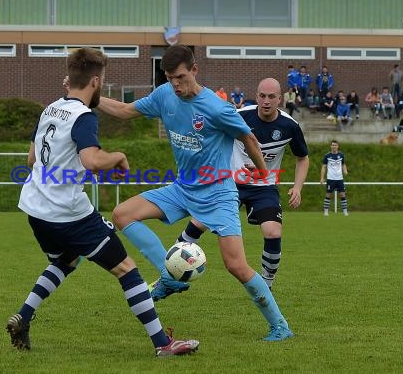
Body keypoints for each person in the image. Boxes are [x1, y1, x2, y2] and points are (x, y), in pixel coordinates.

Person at [7, 47, 199, 357]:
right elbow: (93, 160)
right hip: (69, 214)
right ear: (96, 80)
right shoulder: (83, 117)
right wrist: (118, 157)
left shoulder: (50, 109)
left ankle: (24, 317)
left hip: (35, 209)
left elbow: (31, 159)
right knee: (127, 270)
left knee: (64, 261)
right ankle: (163, 344)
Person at [96, 45, 293, 341]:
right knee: (123, 214)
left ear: (194, 70)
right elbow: (125, 111)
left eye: (180, 77)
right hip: (182, 189)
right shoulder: (165, 95)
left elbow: (248, 137)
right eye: (169, 78)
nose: (175, 84)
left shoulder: (216, 107)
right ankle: (169, 276)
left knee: (236, 266)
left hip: (218, 196)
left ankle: (280, 326)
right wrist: (88, 97)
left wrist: (263, 172)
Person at [174, 78, 309, 291]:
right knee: (199, 222)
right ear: (256, 97)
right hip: (230, 184)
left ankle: (266, 284)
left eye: (271, 96)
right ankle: (171, 272)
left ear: (280, 99)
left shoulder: (289, 126)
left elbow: (303, 158)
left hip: (264, 186)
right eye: (262, 96)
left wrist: (298, 187)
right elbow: (210, 134)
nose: (266, 101)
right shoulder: (239, 116)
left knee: (273, 231)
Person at [320, 140, 349, 216]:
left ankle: (345, 211)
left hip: (339, 179)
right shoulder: (327, 156)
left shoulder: (341, 155)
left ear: (338, 146)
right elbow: (324, 167)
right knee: (328, 195)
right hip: (330, 178)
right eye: (333, 145)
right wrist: (322, 178)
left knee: (342, 194)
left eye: (335, 145)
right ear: (331, 146)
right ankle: (326, 211)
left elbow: (343, 164)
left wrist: (345, 170)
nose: (334, 146)